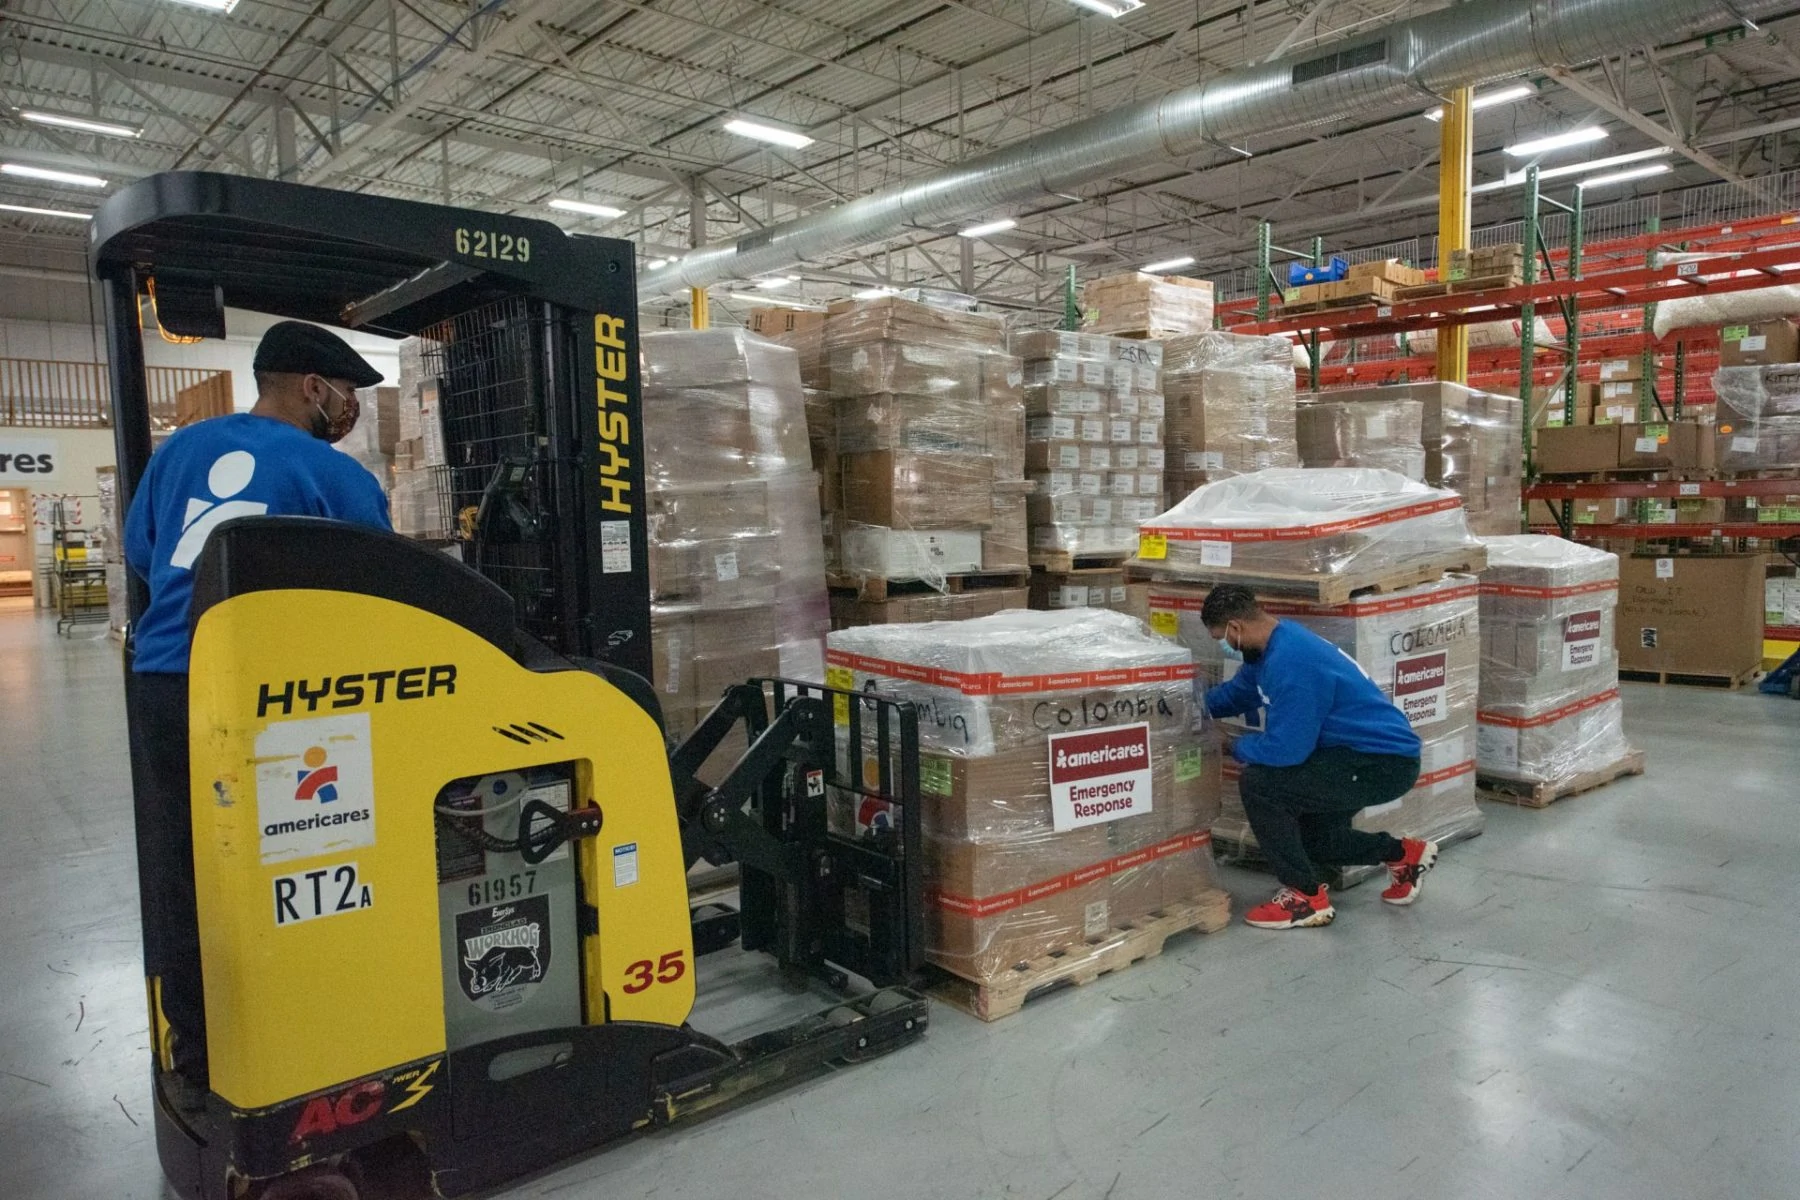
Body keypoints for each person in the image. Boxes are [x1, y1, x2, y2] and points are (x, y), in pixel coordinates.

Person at [123, 321, 390, 1092]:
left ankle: (199, 1045)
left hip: (169, 678)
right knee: (305, 857)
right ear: (314, 388)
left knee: (188, 864)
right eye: (347, 396)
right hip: (274, 697)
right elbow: (386, 584)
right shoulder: (328, 471)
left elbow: (143, 555)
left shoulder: (177, 451)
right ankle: (302, 1030)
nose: (350, 411)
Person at [1200, 584, 1437, 930]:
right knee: (1311, 840)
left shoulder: (1292, 662)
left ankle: (1305, 898)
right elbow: (1237, 694)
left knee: (1260, 783)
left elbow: (1287, 750)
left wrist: (1231, 747)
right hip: (1352, 756)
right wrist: (1187, 706)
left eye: (1222, 638)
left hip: (1380, 763)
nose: (1226, 646)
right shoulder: (1269, 649)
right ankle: (1404, 855)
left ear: (1236, 628)